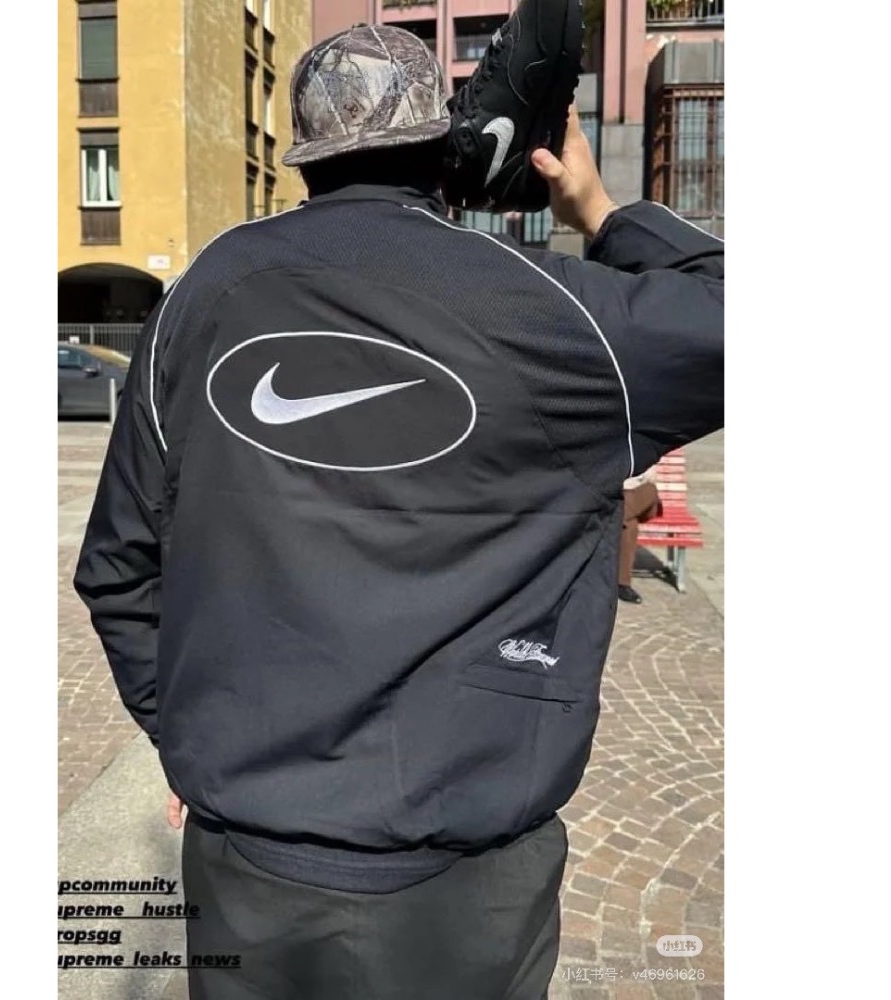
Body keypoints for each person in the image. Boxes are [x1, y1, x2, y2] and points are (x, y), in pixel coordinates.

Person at [73, 13, 723, 1000]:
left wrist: (192, 735)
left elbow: (118, 568)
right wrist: (598, 207)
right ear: (443, 152)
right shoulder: (555, 313)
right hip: (468, 892)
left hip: (248, 868)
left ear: (303, 159)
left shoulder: (199, 300)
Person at [618, 465, 662, 604]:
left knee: (650, 489)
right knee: (630, 526)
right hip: (618, 496)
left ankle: (618, 515)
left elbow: (650, 476)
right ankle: (622, 583)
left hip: (641, 495)